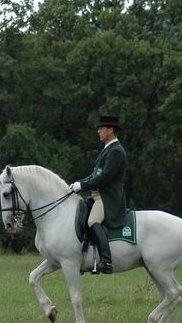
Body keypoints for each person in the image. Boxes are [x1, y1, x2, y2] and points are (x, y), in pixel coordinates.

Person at [69, 115, 127, 274]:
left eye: (102, 128)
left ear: (111, 130)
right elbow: (95, 174)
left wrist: (82, 185)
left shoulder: (116, 151)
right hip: (97, 196)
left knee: (93, 221)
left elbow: (104, 177)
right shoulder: (108, 149)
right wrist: (79, 183)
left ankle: (106, 262)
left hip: (107, 198)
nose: (99, 131)